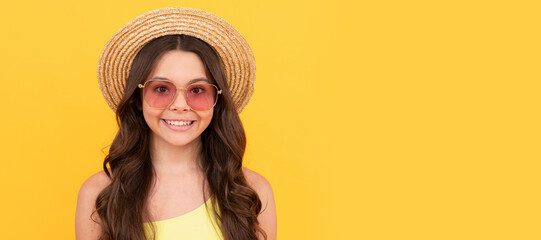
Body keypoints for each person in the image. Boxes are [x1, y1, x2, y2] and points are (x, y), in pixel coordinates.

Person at [75, 8, 277, 240]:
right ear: (138, 99)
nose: (180, 105)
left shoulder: (252, 192)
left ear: (216, 101)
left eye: (197, 90)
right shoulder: (99, 193)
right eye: (161, 89)